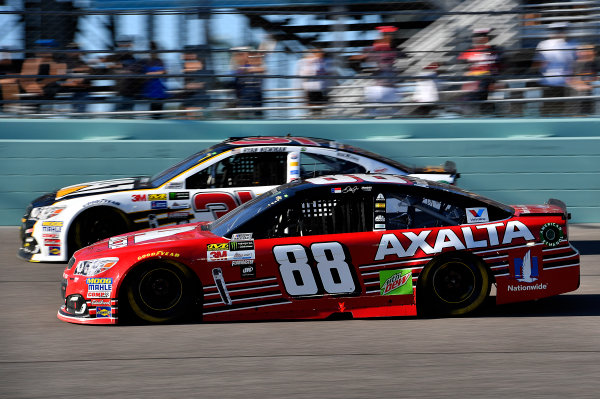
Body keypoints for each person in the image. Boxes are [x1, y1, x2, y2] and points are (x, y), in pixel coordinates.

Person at [533, 22, 577, 116]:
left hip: (556, 83)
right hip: (558, 83)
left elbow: (537, 64)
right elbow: (575, 64)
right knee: (557, 111)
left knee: (550, 111)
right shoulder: (571, 44)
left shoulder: (543, 44)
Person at [457, 28, 504, 115]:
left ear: (487, 38)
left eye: (482, 36)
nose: (479, 39)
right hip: (473, 87)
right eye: (477, 36)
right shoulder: (468, 52)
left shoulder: (496, 51)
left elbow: (500, 68)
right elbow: (464, 68)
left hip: (488, 85)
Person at [19, 39, 66, 113]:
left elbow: (58, 76)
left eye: (45, 48)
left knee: (52, 86)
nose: (41, 50)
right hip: (31, 87)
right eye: (39, 48)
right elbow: (24, 78)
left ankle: (40, 110)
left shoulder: (59, 63)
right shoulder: (30, 61)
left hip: (46, 88)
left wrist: (39, 85)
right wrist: (30, 87)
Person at [105, 36, 143, 115]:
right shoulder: (120, 57)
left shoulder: (131, 59)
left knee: (119, 116)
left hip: (127, 93)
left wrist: (117, 67)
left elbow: (132, 71)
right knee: (122, 115)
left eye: (125, 43)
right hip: (123, 92)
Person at [232, 48, 265, 118]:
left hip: (254, 102)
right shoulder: (239, 70)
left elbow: (262, 69)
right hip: (246, 103)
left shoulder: (251, 68)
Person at [297, 48, 330, 116]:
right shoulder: (308, 61)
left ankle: (317, 116)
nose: (321, 54)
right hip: (312, 87)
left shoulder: (319, 62)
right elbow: (309, 72)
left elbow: (323, 72)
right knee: (315, 107)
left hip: (317, 87)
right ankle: (315, 116)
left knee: (318, 107)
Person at [60, 42, 92, 114]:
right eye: (70, 50)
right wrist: (71, 81)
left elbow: (87, 81)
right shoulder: (62, 63)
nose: (73, 52)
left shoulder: (83, 64)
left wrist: (75, 80)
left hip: (80, 91)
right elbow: (59, 79)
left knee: (83, 94)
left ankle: (79, 116)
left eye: (75, 50)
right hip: (65, 91)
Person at [141, 41, 169, 119]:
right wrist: (159, 73)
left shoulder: (160, 61)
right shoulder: (147, 62)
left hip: (159, 93)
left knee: (158, 116)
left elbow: (165, 73)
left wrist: (153, 74)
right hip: (150, 94)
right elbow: (146, 75)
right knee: (152, 116)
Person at [180, 47, 210, 119]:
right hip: (190, 97)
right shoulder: (187, 66)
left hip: (198, 97)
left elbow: (202, 83)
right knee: (193, 119)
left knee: (197, 118)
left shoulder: (199, 65)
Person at [570, 44, 598, 115]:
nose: (593, 53)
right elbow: (572, 79)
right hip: (580, 94)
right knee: (580, 113)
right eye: (587, 51)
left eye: (591, 51)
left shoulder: (593, 63)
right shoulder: (576, 64)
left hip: (591, 93)